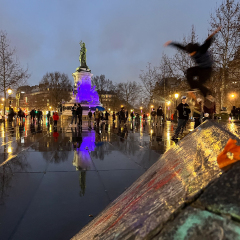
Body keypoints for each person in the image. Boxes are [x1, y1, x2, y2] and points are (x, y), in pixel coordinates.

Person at [164, 26, 221, 100]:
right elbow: (180, 46)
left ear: (195, 50)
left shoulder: (202, 49)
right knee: (189, 72)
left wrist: (215, 32)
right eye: (189, 53)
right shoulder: (189, 49)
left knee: (199, 83)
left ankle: (208, 93)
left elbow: (208, 41)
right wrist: (171, 43)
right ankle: (193, 87)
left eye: (192, 53)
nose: (190, 55)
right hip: (200, 68)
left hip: (207, 70)